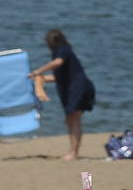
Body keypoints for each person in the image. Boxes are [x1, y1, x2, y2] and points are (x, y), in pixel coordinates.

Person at [28, 29, 95, 161]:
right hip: (73, 89)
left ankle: (73, 153)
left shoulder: (64, 50)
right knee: (70, 120)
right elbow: (60, 76)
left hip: (79, 89)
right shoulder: (60, 53)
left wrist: (38, 71)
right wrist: (40, 79)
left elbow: (57, 63)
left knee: (74, 119)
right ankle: (72, 151)